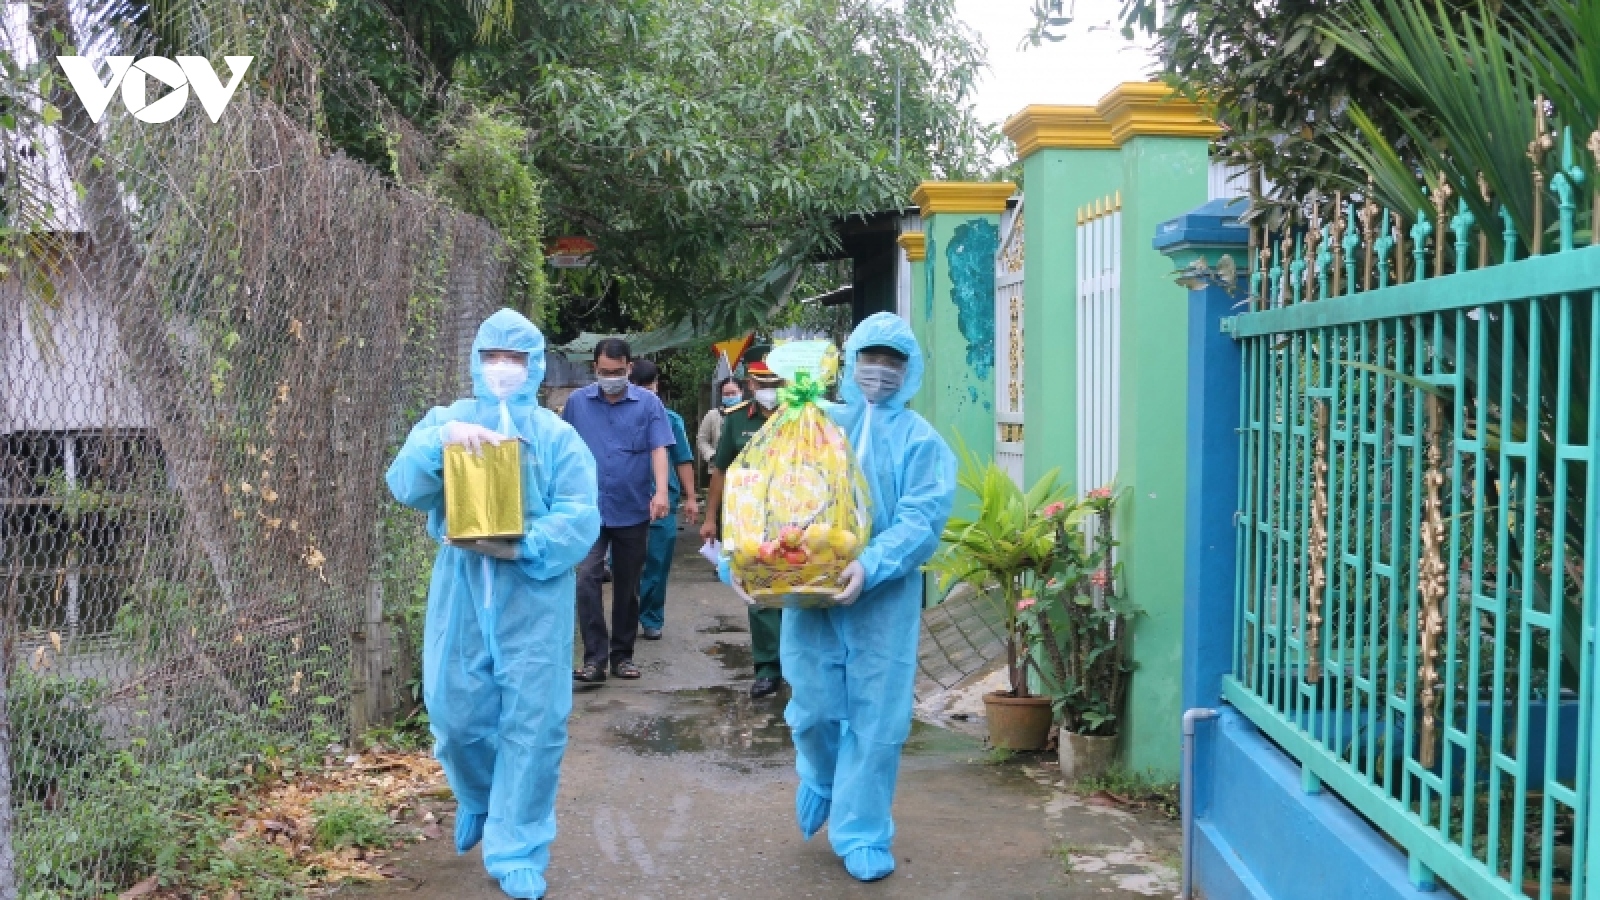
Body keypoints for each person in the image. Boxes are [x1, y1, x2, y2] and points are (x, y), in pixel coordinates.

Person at [385, 309, 601, 900]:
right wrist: (440, 442)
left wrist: (524, 547)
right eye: (492, 357)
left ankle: (519, 846)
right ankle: (480, 798)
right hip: (460, 588)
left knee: (533, 724)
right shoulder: (448, 420)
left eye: (514, 359)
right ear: (476, 361)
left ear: (533, 367)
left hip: (532, 595)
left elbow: (582, 517)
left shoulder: (557, 437)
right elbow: (404, 486)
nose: (502, 369)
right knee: (454, 716)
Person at [765, 313, 956, 883]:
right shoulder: (816, 424)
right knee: (813, 708)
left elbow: (923, 518)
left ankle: (864, 829)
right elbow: (776, 490)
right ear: (849, 365)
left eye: (892, 362)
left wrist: (871, 565)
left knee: (877, 721)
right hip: (812, 591)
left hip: (883, 601)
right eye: (870, 359)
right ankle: (821, 777)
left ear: (910, 370)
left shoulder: (921, 441)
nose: (880, 372)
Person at [562, 338, 676, 685]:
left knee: (628, 584)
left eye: (616, 371)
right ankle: (594, 658)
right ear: (594, 368)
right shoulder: (577, 404)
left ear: (629, 367)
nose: (609, 377)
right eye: (602, 371)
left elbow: (659, 448)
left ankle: (622, 656)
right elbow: (563, 449)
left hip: (632, 506)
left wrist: (660, 491)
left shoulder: (648, 404)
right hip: (588, 509)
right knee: (586, 579)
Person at [700, 348, 787, 699]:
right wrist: (710, 518)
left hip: (794, 516)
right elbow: (720, 470)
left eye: (776, 382)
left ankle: (800, 664)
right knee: (760, 593)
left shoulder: (797, 415)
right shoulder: (736, 420)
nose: (770, 388)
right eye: (763, 382)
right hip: (750, 519)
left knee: (798, 588)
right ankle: (768, 668)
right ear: (751, 384)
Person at [630, 359, 699, 640]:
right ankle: (627, 613)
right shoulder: (620, 416)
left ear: (657, 386)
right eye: (641, 386)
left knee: (657, 563)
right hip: (627, 501)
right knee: (626, 564)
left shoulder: (671, 420)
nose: (648, 392)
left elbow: (683, 459)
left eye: (651, 386)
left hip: (662, 503)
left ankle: (651, 617)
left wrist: (691, 497)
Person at [698, 377, 743, 462]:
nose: (730, 397)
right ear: (721, 395)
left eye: (733, 393)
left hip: (746, 470)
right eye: (726, 394)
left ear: (741, 392)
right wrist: (712, 455)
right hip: (718, 468)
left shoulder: (750, 414)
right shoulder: (712, 415)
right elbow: (701, 440)